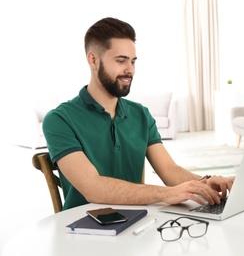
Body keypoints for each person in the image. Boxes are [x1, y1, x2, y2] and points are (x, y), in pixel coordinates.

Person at [43, 17, 234, 210]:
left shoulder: (141, 115)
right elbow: (93, 188)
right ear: (93, 60)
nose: (130, 70)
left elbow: (169, 170)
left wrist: (205, 183)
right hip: (84, 228)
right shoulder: (59, 120)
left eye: (133, 61)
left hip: (138, 222)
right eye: (121, 61)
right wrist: (167, 194)